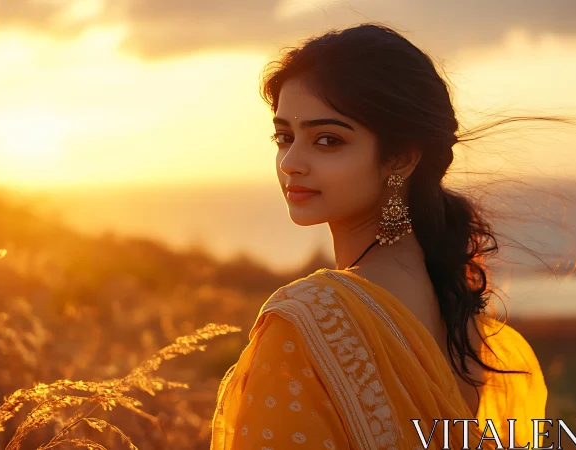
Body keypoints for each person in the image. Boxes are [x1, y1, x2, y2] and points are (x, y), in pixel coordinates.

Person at [210, 23, 548, 450]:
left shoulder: (307, 322)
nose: (292, 161)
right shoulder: (472, 331)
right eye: (284, 137)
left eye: (327, 140)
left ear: (401, 158)